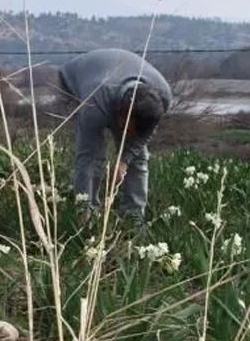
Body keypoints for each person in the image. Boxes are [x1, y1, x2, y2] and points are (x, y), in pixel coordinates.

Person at [57, 48, 172, 220]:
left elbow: (143, 136)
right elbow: (87, 155)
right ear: (121, 114)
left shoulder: (162, 97)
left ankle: (133, 218)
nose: (129, 134)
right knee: (92, 156)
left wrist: (123, 161)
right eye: (127, 128)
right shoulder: (94, 103)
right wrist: (85, 203)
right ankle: (87, 214)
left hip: (116, 86)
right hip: (75, 81)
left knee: (137, 157)